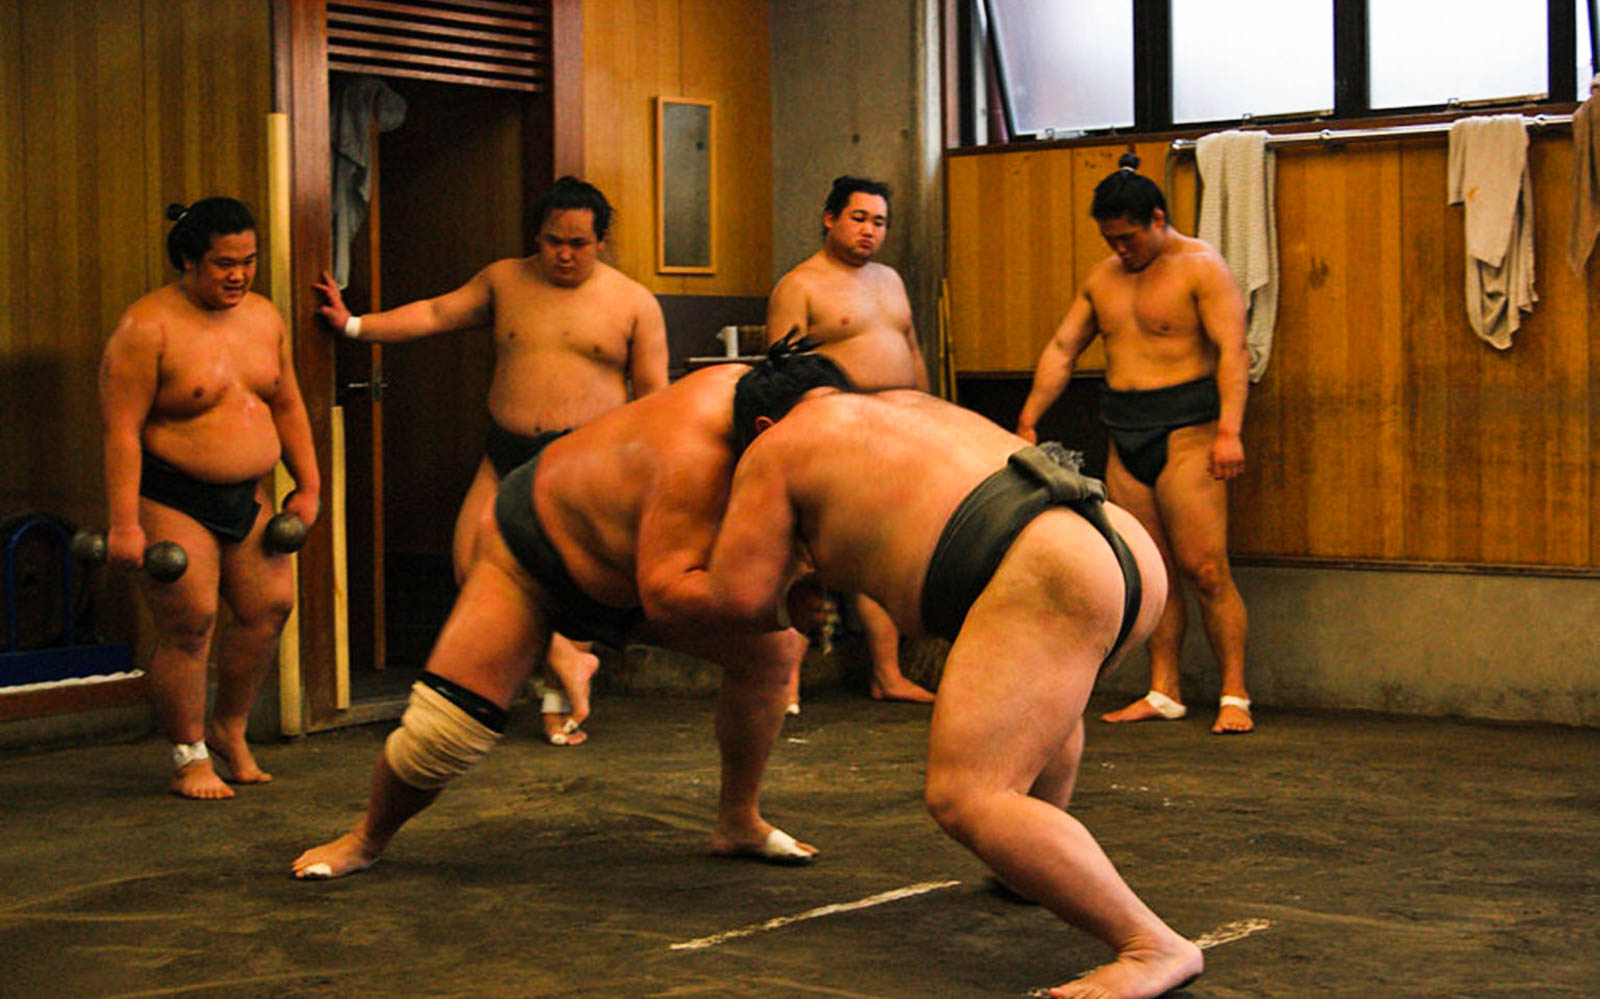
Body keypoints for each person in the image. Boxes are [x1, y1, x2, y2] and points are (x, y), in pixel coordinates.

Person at [647, 342, 1201, 999]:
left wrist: (682, 590)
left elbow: (738, 597)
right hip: (1120, 544)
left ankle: (1151, 944)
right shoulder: (910, 405)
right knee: (1043, 712)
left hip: (1045, 567)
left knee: (967, 792)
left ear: (761, 427)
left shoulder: (778, 445)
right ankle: (1030, 871)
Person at [291, 364, 818, 881]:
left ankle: (738, 820)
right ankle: (366, 838)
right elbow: (667, 594)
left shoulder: (775, 413)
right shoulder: (697, 457)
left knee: (772, 651)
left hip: (632, 566)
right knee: (442, 734)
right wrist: (781, 601)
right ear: (765, 432)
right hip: (536, 555)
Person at [313, 176, 669, 745]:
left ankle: (558, 699)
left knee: (570, 580)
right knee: (471, 565)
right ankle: (567, 661)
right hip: (506, 449)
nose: (565, 254)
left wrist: (649, 474)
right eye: (554, 240)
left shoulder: (633, 303)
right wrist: (355, 324)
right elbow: (434, 314)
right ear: (537, 236)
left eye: (579, 243)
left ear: (601, 242)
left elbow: (654, 397)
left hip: (585, 460)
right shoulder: (504, 280)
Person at [1015, 153, 1254, 735]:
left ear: (1156, 218)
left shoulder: (1201, 267)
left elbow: (1232, 351)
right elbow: (1062, 349)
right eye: (1110, 239)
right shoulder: (1102, 279)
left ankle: (1235, 695)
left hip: (1189, 430)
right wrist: (1027, 420)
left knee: (1204, 569)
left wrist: (1229, 431)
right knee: (1153, 573)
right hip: (1125, 430)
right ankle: (1164, 689)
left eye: (1128, 238)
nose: (1121, 249)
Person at [98, 198, 321, 800]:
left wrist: (309, 484)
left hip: (246, 494)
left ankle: (229, 727)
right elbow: (121, 431)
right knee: (190, 623)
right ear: (188, 260)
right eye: (224, 263)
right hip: (171, 495)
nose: (238, 275)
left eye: (248, 262)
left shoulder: (264, 318)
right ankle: (188, 753)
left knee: (270, 604)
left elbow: (288, 403)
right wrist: (124, 524)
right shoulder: (146, 328)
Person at [765, 175, 934, 707]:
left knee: (882, 556)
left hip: (902, 428)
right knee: (804, 558)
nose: (869, 231)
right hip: (838, 432)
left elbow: (913, 348)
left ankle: (887, 673)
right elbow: (782, 371)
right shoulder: (800, 285)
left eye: (879, 222)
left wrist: (932, 413)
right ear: (830, 218)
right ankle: (782, 682)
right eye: (858, 218)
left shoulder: (891, 280)